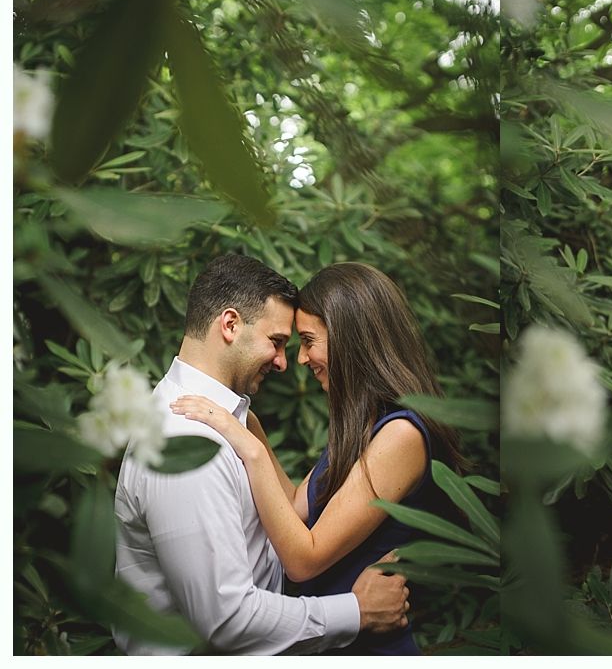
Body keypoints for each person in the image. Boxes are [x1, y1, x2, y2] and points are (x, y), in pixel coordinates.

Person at [113, 254, 409, 655]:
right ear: (230, 324)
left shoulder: (229, 422)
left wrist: (252, 438)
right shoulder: (184, 439)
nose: (286, 362)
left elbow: (288, 513)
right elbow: (228, 620)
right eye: (278, 342)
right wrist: (355, 612)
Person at [171, 262, 466, 655]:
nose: (302, 358)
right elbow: (296, 509)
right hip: (331, 639)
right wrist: (249, 422)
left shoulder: (401, 435)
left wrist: (251, 448)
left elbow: (303, 559)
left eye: (309, 341)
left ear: (351, 339)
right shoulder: (365, 427)